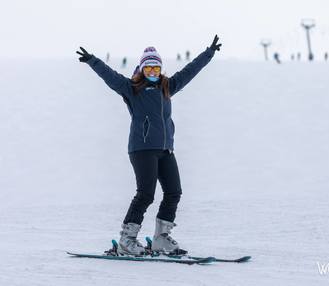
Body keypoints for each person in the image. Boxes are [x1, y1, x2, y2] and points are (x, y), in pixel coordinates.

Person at [76, 35, 222, 256]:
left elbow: (190, 72)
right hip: (142, 149)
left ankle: (161, 239)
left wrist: (208, 53)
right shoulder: (131, 89)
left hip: (165, 149)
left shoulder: (167, 87)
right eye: (149, 69)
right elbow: (111, 77)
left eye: (156, 69)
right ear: (142, 69)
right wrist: (92, 60)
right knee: (146, 194)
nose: (153, 73)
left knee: (174, 192)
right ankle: (127, 240)